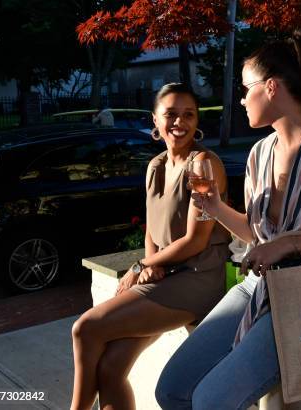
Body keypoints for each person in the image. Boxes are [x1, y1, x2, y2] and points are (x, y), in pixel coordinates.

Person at [155, 33, 301, 410]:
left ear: (271, 87)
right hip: (258, 288)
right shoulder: (259, 154)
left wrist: (292, 243)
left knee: (211, 401)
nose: (241, 99)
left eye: (246, 89)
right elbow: (259, 236)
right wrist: (215, 208)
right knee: (172, 389)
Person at [70, 83, 230, 410]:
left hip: (197, 280)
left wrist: (140, 267)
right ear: (155, 119)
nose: (179, 122)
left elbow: (196, 239)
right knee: (111, 368)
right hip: (165, 278)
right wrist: (150, 263)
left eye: (188, 115)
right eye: (170, 114)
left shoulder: (203, 166)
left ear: (197, 121)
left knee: (85, 329)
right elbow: (152, 232)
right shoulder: (155, 166)